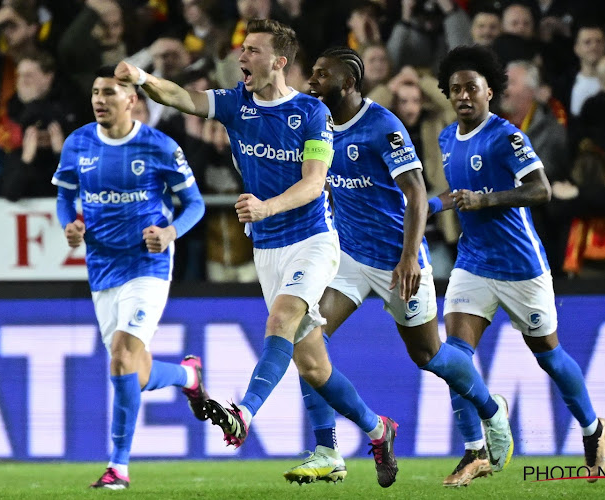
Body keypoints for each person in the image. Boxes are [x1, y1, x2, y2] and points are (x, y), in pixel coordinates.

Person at [115, 19, 403, 488]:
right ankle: (377, 429)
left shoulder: (312, 112)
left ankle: (243, 413)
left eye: (251, 50)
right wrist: (145, 81)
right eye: (242, 50)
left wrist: (266, 206)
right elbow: (183, 98)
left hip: (312, 240)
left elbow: (314, 183)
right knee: (313, 365)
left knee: (279, 322)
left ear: (279, 61)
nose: (242, 57)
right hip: (268, 249)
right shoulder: (236, 104)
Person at [281, 47, 513, 488]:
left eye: (321, 75)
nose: (311, 82)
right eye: (311, 74)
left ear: (347, 83)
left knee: (428, 355)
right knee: (304, 338)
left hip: (397, 260)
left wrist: (409, 257)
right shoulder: (319, 123)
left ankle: (491, 408)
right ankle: (328, 449)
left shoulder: (382, 126)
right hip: (349, 258)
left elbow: (418, 194)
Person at [428, 45, 605, 486]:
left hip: (520, 264)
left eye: (471, 87)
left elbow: (541, 190)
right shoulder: (446, 138)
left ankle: (593, 429)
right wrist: (426, 209)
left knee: (548, 356)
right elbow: (457, 194)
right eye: (455, 90)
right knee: (453, 357)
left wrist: (487, 200)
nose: (463, 96)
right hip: (473, 261)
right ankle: (474, 451)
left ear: (489, 91)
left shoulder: (507, 135)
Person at [50, 65, 208, 490]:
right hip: (102, 266)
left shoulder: (159, 146)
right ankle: (187, 377)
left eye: (110, 93)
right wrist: (70, 224)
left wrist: (170, 231)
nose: (100, 100)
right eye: (96, 92)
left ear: (132, 99)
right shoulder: (78, 143)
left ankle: (118, 466)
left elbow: (195, 204)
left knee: (121, 355)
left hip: (147, 263)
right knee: (132, 372)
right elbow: (65, 195)